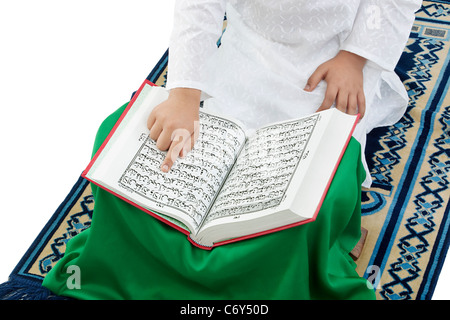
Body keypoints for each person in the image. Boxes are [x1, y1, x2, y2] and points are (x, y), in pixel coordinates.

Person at [42, 0, 421, 300]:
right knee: (120, 140)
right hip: (247, 53)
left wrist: (354, 59)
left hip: (331, 63)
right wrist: (186, 93)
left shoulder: (347, 60)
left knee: (318, 191)